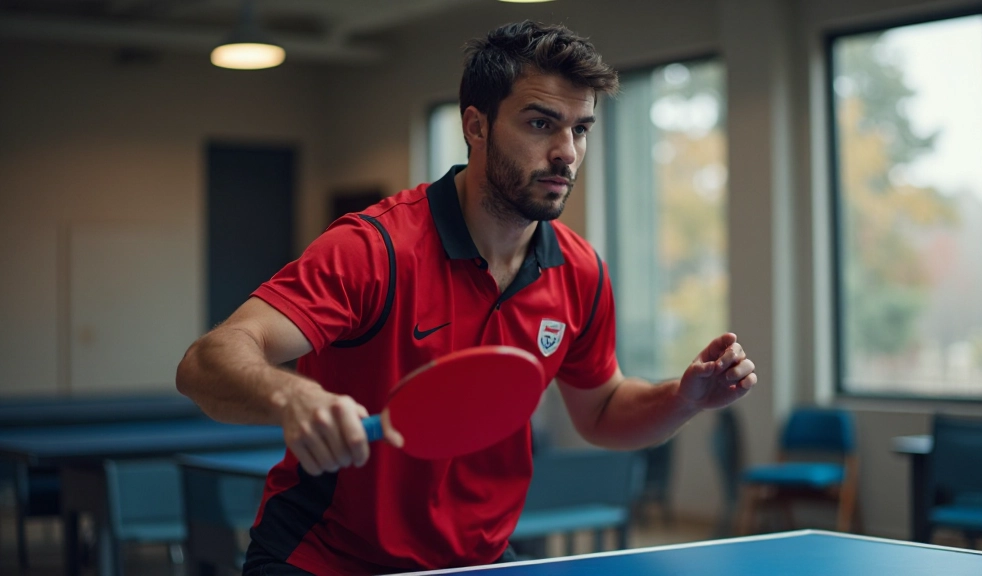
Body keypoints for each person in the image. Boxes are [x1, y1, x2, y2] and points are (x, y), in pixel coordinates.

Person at [176, 20, 756, 576]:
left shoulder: (579, 272)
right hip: (324, 560)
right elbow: (207, 360)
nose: (567, 153)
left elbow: (601, 410)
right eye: (540, 124)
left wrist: (683, 399)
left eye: (580, 129)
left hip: (473, 562)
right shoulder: (374, 249)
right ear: (475, 126)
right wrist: (290, 398)